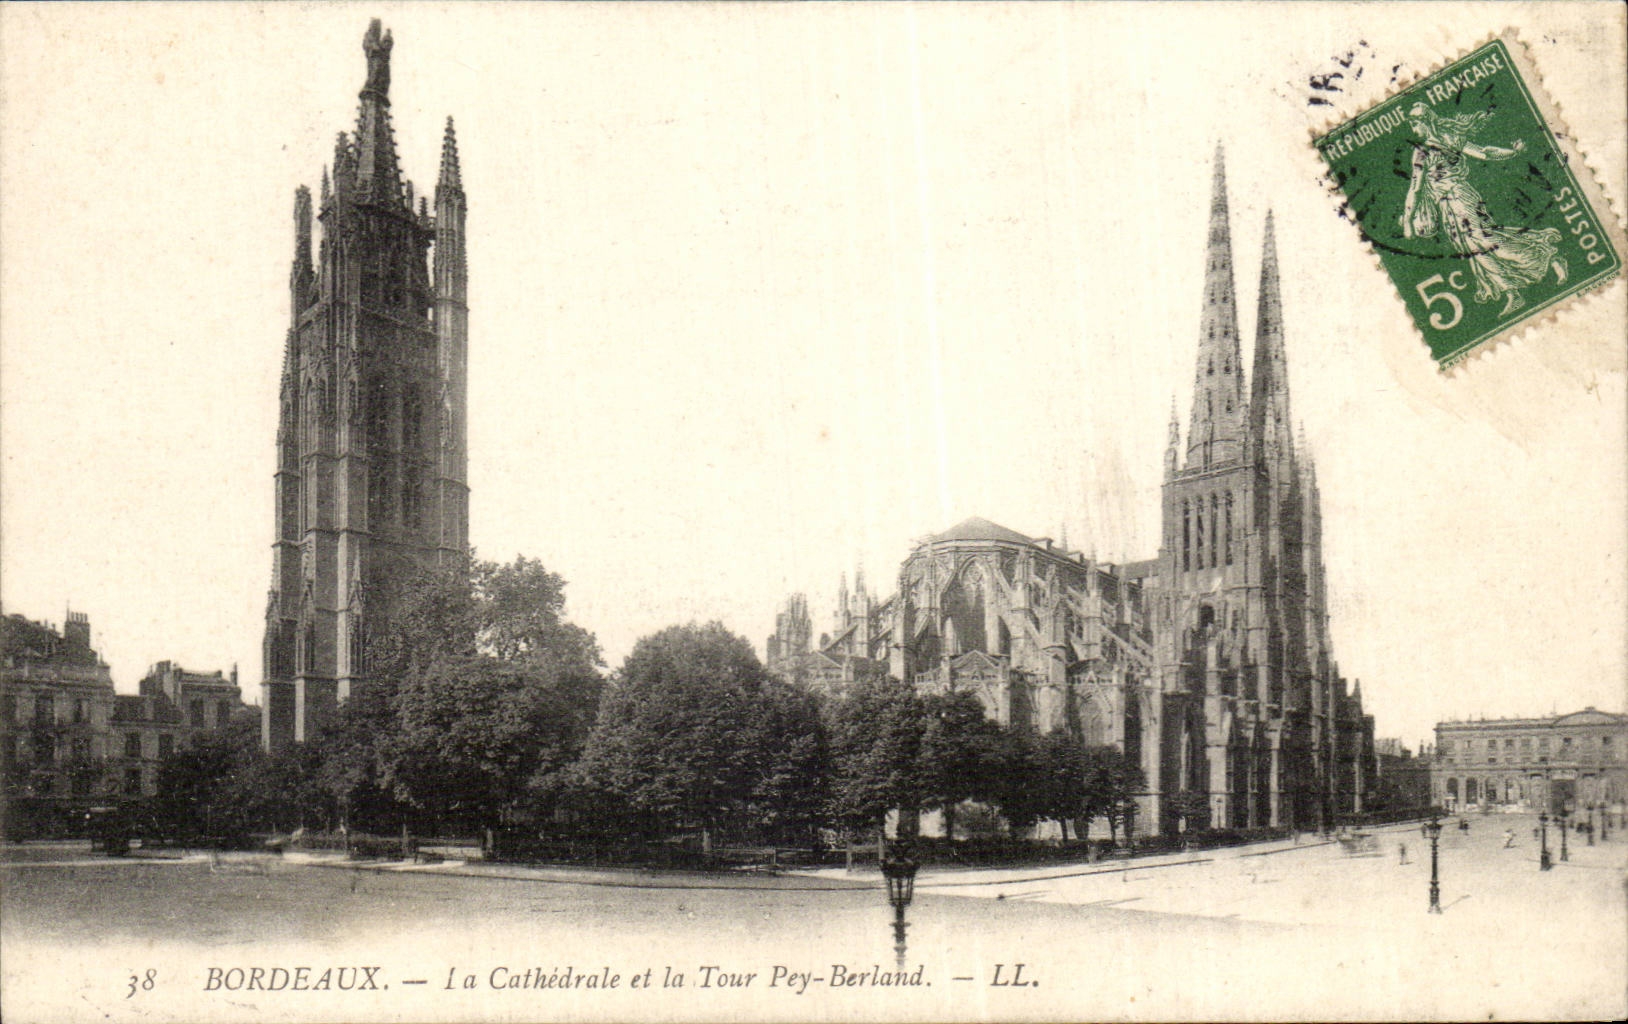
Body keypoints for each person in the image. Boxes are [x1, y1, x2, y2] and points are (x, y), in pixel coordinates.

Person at [1398, 102, 1567, 317]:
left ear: (1425, 122)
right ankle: (1512, 293)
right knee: (1473, 249)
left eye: (1414, 124)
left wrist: (1512, 153)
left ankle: (1548, 256)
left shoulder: (1436, 146)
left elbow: (1484, 153)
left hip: (1461, 197)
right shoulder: (1428, 148)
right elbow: (1416, 187)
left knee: (1485, 241)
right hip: (1446, 207)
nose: (1414, 130)